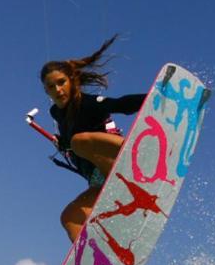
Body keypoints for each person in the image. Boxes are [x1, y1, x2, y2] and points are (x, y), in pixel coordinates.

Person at [40, 35, 145, 244]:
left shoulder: (88, 103)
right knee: (70, 217)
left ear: (72, 81)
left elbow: (122, 104)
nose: (58, 90)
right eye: (51, 87)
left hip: (119, 163)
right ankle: (98, 262)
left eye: (61, 83)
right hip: (101, 181)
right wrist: (64, 143)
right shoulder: (57, 113)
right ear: (46, 91)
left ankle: (137, 154)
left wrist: (158, 96)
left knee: (79, 141)